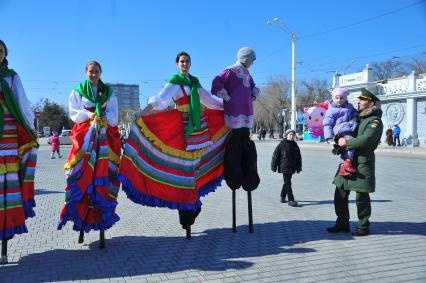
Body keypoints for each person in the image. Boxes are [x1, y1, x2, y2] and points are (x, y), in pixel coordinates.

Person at [119, 51, 228, 239]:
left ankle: (192, 204)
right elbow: (161, 101)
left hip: (199, 127)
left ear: (190, 64)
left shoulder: (194, 83)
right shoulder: (175, 82)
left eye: (187, 61)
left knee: (194, 167)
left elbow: (210, 101)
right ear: (177, 64)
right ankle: (186, 210)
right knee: (182, 168)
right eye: (182, 61)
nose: (184, 64)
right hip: (181, 128)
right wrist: (142, 114)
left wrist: (230, 105)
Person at [57, 61, 121, 249]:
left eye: (96, 71)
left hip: (104, 138)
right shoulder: (77, 91)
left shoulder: (108, 92)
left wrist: (103, 117)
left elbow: (114, 116)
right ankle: (81, 220)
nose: (93, 74)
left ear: (101, 73)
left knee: (102, 177)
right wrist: (89, 115)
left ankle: (100, 221)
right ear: (85, 73)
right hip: (85, 136)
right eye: (90, 71)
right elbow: (73, 113)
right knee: (83, 175)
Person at [211, 47, 260, 232]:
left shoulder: (247, 73)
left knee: (245, 141)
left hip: (247, 111)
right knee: (235, 141)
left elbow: (253, 87)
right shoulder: (230, 71)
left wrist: (254, 93)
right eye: (252, 59)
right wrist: (226, 95)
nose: (252, 63)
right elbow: (216, 84)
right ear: (246, 58)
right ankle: (235, 173)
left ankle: (247, 174)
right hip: (233, 111)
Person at [0, 40, 38, 264]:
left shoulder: (12, 77)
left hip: (8, 136)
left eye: (1, 50)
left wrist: (31, 128)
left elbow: (22, 103)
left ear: (5, 54)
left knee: (6, 191)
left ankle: (4, 248)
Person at [327, 88, 383, 237]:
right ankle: (342, 223)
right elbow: (341, 128)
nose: (358, 102)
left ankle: (363, 226)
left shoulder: (374, 121)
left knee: (362, 197)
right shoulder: (356, 117)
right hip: (347, 161)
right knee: (340, 192)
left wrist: (346, 143)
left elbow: (366, 140)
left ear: (370, 103)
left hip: (362, 163)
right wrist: (337, 138)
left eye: (361, 100)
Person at [323, 87, 358, 176]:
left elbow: (354, 112)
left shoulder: (349, 106)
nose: (339, 100)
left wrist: (356, 116)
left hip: (349, 128)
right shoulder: (331, 110)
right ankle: (347, 162)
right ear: (333, 98)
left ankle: (345, 164)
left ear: (345, 98)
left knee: (349, 144)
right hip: (340, 130)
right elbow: (327, 124)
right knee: (350, 143)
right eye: (337, 98)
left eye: (341, 98)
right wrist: (329, 136)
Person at [271, 129, 302, 207]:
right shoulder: (282, 144)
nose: (292, 136)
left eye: (293, 135)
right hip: (284, 166)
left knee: (287, 183)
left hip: (292, 167)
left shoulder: (295, 145)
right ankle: (291, 199)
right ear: (287, 135)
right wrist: (273, 166)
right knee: (288, 183)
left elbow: (298, 157)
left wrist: (299, 167)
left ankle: (282, 196)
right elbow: (275, 155)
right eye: (290, 134)